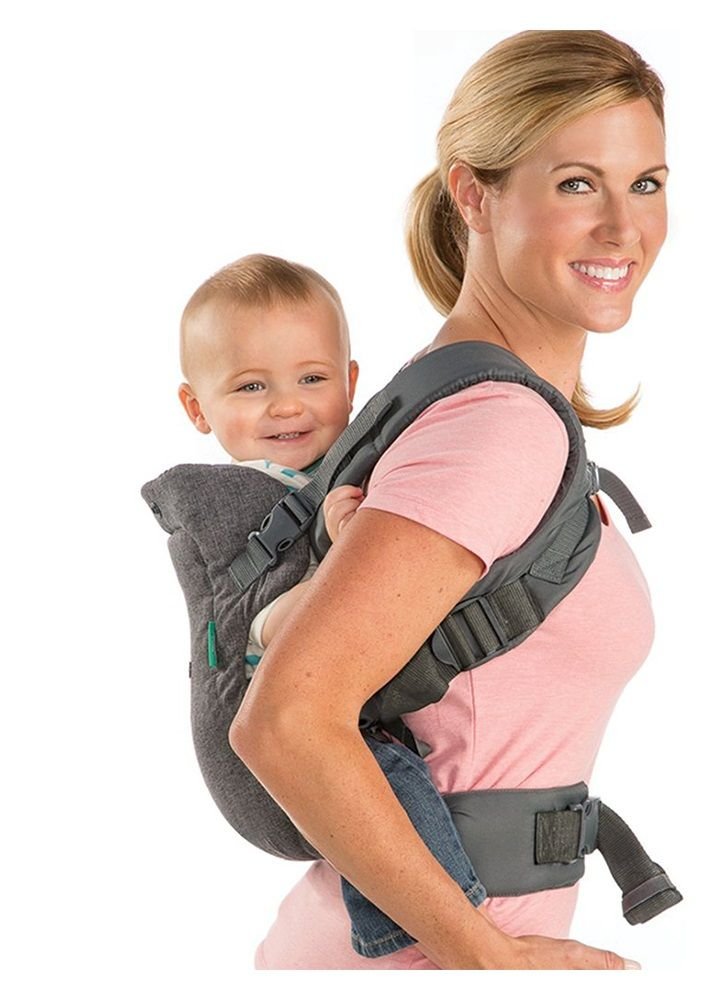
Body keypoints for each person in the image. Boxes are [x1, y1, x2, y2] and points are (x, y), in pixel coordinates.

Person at [230, 30, 670, 970]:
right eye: (577, 184)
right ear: (474, 194)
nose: (623, 227)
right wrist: (490, 963)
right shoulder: (497, 428)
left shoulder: (460, 397)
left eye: (646, 183)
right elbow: (286, 720)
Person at [175, 253, 486, 957]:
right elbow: (270, 624)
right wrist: (350, 555)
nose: (287, 405)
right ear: (197, 408)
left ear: (351, 382)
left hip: (313, 722)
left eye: (311, 379)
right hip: (255, 750)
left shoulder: (333, 473)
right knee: (380, 777)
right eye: (251, 386)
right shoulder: (234, 509)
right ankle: (420, 929)